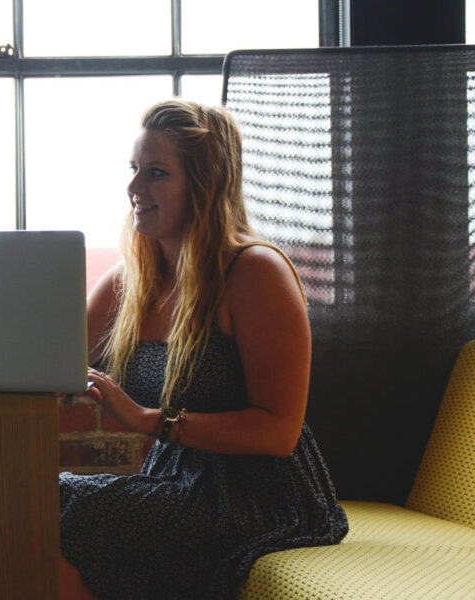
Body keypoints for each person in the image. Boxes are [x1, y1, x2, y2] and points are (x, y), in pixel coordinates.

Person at [59, 99, 348, 600]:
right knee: (35, 505)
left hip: (260, 498)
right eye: (133, 170)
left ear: (204, 184)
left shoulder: (255, 272)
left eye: (155, 173)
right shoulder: (132, 282)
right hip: (171, 483)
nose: (134, 189)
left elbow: (279, 432)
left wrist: (150, 419)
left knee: (63, 515)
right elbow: (50, 365)